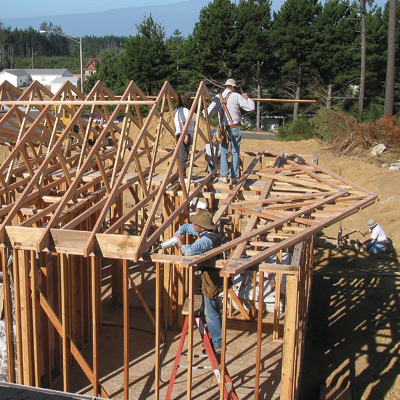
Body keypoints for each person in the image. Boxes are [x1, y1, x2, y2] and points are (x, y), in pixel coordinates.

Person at [174, 210, 223, 353]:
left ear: (202, 227)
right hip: (208, 276)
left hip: (212, 277)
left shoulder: (208, 240)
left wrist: (181, 244)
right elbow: (186, 227)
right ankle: (214, 339)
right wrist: (178, 232)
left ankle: (217, 344)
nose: (192, 225)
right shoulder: (207, 232)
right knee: (211, 310)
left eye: (196, 224)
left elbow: (189, 251)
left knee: (211, 312)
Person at [206, 79, 255, 185]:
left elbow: (207, 114)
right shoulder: (236, 96)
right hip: (235, 127)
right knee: (235, 151)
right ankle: (233, 177)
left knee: (224, 152)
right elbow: (251, 107)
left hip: (223, 129)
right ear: (233, 87)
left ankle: (224, 176)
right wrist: (248, 98)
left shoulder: (218, 97)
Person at [174, 91, 194, 180]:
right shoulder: (184, 110)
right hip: (183, 134)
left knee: (182, 154)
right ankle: (182, 176)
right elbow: (183, 123)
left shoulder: (178, 110)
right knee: (183, 155)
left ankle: (180, 174)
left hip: (180, 133)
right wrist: (186, 135)